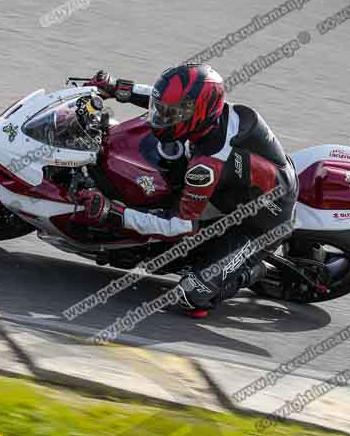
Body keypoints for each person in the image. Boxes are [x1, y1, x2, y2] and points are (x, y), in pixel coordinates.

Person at [72, 65, 298, 316]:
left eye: (169, 115)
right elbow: (173, 102)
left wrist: (114, 213)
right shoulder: (217, 114)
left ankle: (255, 270)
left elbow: (180, 225)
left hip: (259, 225)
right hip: (242, 186)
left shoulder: (206, 166)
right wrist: (119, 88)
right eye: (162, 110)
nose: (160, 117)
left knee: (193, 295)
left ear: (198, 114)